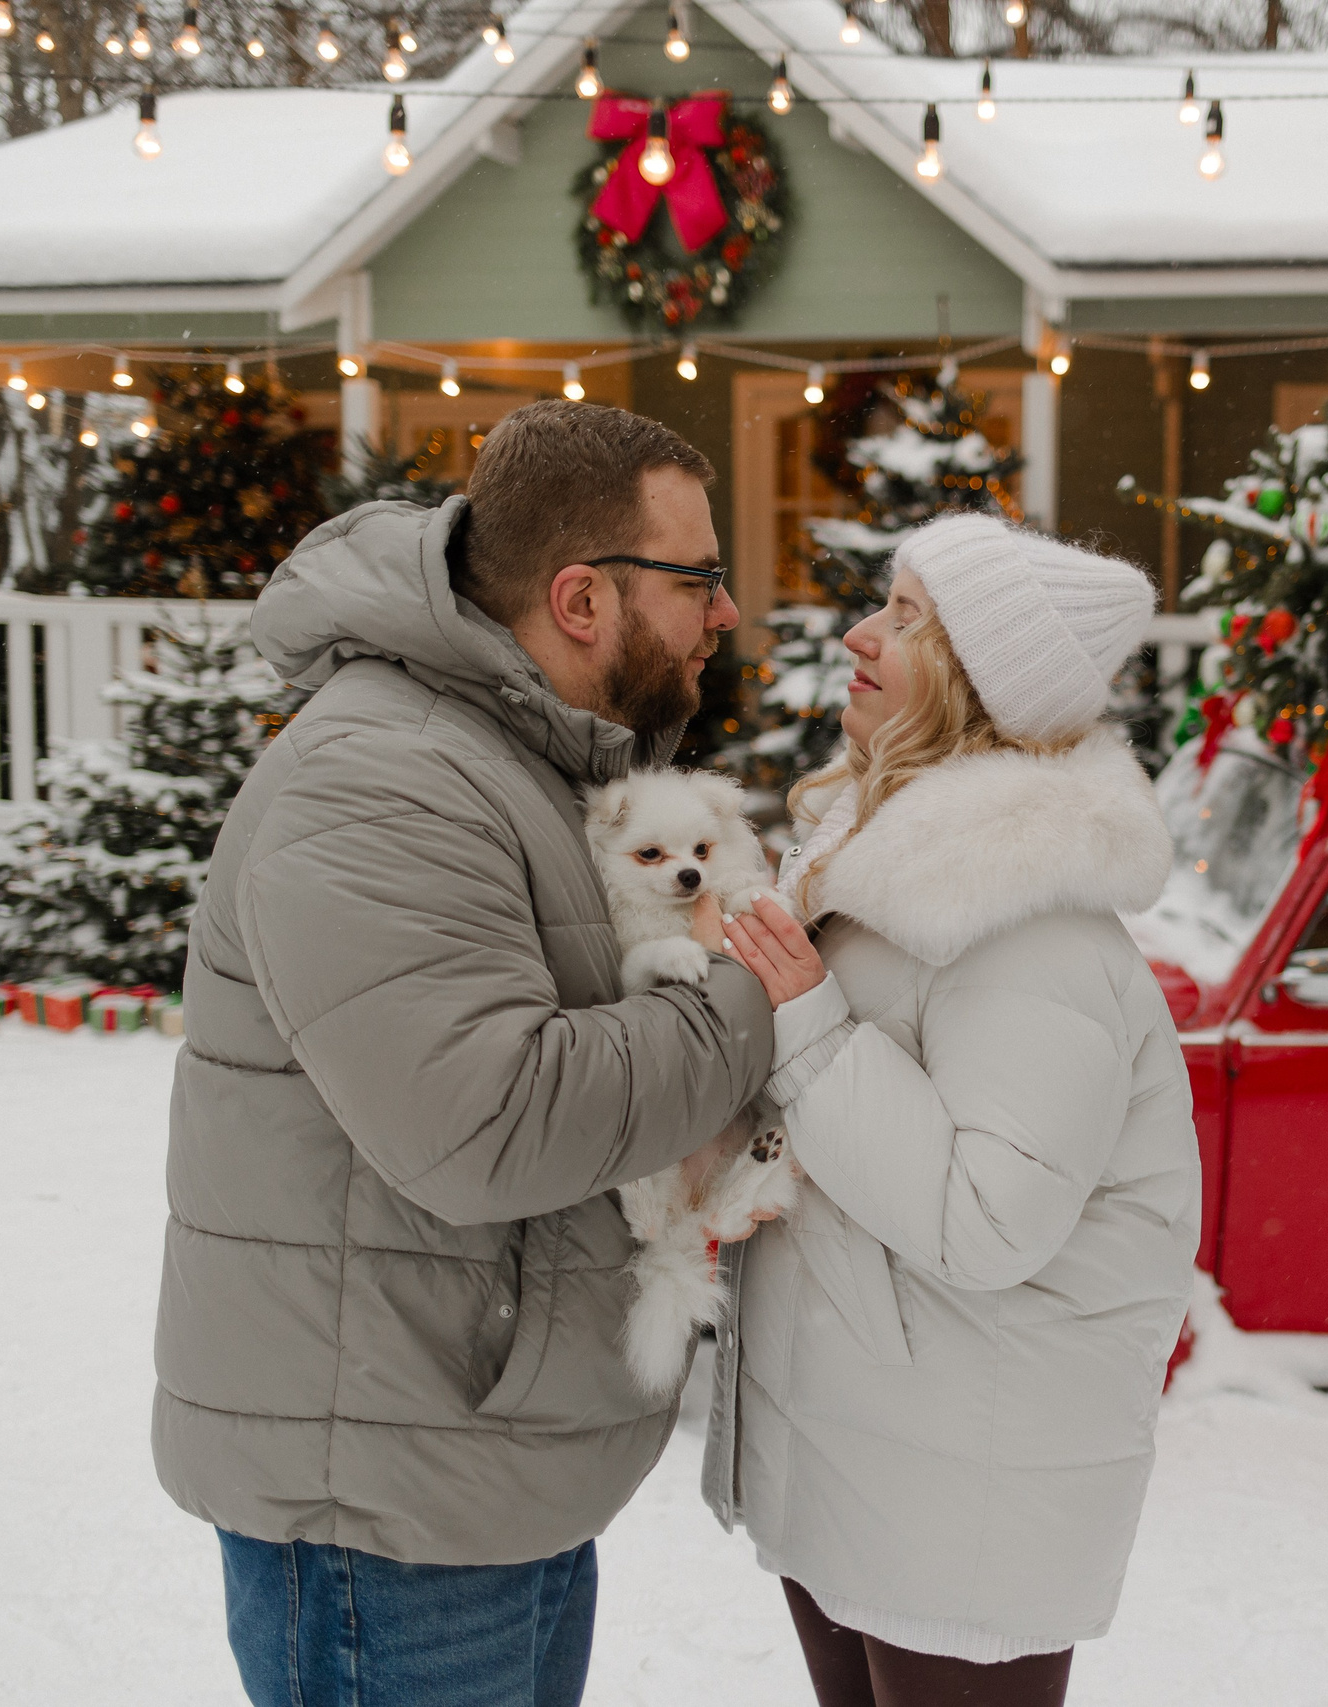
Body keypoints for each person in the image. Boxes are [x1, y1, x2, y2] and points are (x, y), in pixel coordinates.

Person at [152, 402, 779, 1707]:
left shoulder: (509, 757)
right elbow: (483, 1122)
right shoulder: (385, 777)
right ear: (582, 598)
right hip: (388, 1518)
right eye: (700, 577)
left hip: (474, 1465)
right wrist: (743, 1000)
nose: (726, 613)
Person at [704, 512, 1203, 1707]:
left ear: (981, 683)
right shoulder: (884, 873)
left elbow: (987, 1220)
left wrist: (808, 1022)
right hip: (874, 1452)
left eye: (912, 617)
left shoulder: (1029, 921)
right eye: (885, 601)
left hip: (965, 1490)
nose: (864, 633)